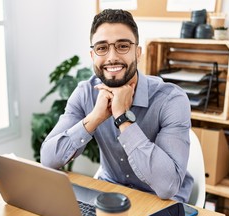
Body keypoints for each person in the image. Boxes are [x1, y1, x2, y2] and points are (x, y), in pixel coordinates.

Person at [40, 9, 193, 203]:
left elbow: (167, 186)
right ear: (92, 55)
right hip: (110, 191)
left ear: (138, 52)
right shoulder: (85, 93)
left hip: (160, 202)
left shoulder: (171, 99)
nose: (112, 57)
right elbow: (48, 159)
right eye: (102, 48)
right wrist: (95, 118)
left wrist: (122, 117)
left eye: (122, 46)